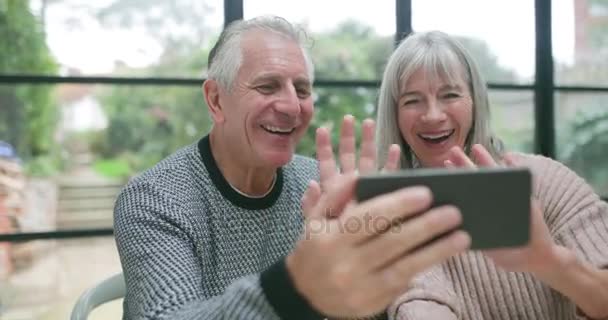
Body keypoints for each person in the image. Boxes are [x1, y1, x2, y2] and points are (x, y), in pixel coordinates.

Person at [114, 17, 472, 320]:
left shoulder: (321, 183)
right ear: (216, 99)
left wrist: (374, 263)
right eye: (268, 86)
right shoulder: (153, 199)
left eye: (301, 90)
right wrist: (295, 286)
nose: (291, 106)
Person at [374, 30, 608, 319]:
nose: (433, 115)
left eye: (450, 94)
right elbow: (420, 304)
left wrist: (546, 260)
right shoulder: (397, 216)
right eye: (412, 100)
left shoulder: (545, 181)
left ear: (475, 102)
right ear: (395, 115)